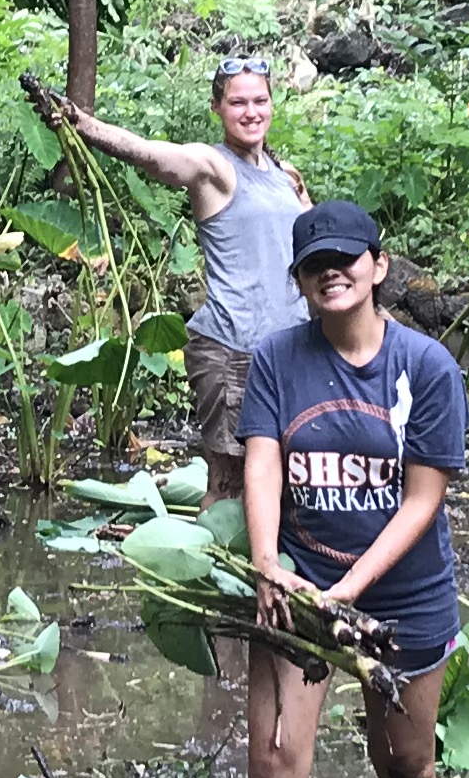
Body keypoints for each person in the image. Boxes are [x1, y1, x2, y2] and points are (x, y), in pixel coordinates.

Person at [239, 200, 469, 778]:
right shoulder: (277, 360)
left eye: (345, 259)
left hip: (405, 595)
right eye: (315, 265)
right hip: (298, 583)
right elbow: (262, 462)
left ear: (379, 267)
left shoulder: (426, 368)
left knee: (404, 763)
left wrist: (352, 589)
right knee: (274, 761)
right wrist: (265, 562)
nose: (331, 273)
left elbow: (422, 500)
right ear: (300, 280)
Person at [55, 54, 306, 506]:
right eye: (237, 103)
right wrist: (83, 124)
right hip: (234, 351)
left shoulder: (285, 176)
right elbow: (153, 155)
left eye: (260, 100)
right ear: (217, 108)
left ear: (273, 104)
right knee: (230, 484)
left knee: (287, 478)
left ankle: (270, 569)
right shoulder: (212, 166)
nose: (251, 112)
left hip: (292, 352)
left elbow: (319, 249)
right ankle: (217, 572)